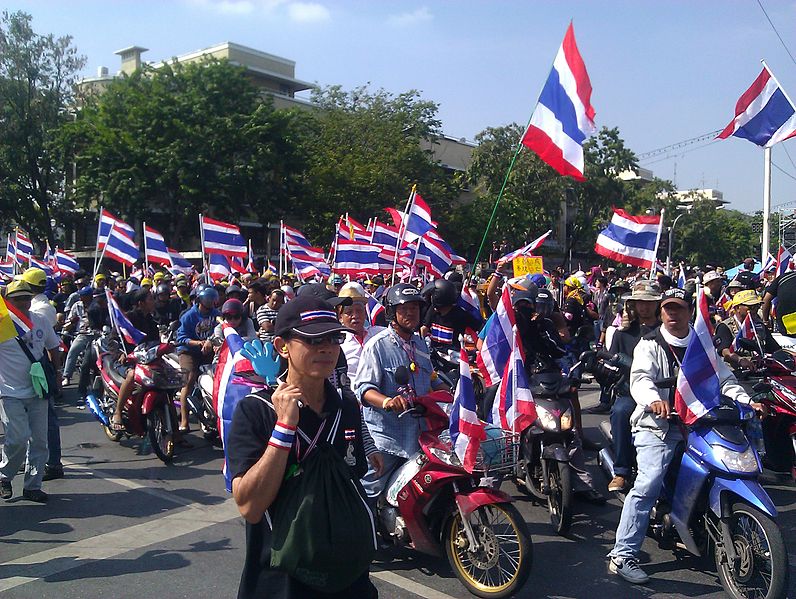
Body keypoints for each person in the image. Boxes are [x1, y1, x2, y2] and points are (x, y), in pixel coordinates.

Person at [227, 296, 380, 598]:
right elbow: (250, 507)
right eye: (312, 339)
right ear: (282, 346)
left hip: (348, 576)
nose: (326, 348)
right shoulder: (256, 411)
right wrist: (284, 427)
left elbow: (353, 478)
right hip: (282, 580)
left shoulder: (346, 406)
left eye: (333, 338)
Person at [607, 288, 760, 584]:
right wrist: (653, 400)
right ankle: (622, 555)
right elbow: (640, 379)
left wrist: (746, 401)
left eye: (678, 308)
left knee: (725, 469)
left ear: (690, 311)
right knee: (648, 484)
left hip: (698, 426)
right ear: (661, 312)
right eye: (668, 308)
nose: (672, 314)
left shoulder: (701, 344)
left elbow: (724, 380)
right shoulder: (649, 344)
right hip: (657, 427)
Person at [354, 283, 449, 505]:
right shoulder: (377, 346)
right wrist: (387, 401)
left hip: (419, 436)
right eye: (404, 308)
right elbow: (364, 389)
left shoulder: (420, 344)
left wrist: (451, 391)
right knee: (369, 494)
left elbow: (430, 377)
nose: (410, 313)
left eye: (414, 308)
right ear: (392, 312)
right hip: (387, 438)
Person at [0, 281, 62, 503]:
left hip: (38, 389)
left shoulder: (40, 319)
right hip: (9, 391)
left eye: (27, 297)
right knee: (18, 438)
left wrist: (57, 373)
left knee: (40, 441)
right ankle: (4, 476)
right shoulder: (2, 322)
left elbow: (53, 346)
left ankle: (32, 486)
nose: (23, 302)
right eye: (17, 298)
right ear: (8, 301)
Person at [604, 281, 662, 492]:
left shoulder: (667, 331)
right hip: (631, 392)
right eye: (640, 302)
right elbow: (610, 361)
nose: (644, 307)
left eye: (649, 302)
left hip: (665, 391)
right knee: (620, 412)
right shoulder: (623, 333)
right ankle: (621, 472)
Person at [111, 289, 162, 430]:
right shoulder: (127, 319)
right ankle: (118, 412)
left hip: (146, 360)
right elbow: (112, 340)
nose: (154, 302)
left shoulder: (152, 321)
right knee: (132, 375)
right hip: (126, 361)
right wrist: (121, 354)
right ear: (141, 303)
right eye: (150, 299)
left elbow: (155, 343)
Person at [175, 286, 220, 434]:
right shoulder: (189, 316)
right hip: (189, 351)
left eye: (212, 300)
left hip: (207, 351)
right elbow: (181, 338)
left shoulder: (216, 315)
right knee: (188, 380)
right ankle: (184, 421)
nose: (211, 304)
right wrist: (199, 343)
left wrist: (211, 343)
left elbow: (221, 330)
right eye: (208, 300)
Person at [714, 289, 779, 370]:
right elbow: (725, 351)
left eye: (757, 306)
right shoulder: (725, 326)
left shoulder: (760, 325)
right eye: (751, 307)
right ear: (737, 308)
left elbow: (775, 348)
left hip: (760, 370)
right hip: (735, 373)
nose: (755, 310)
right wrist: (740, 360)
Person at [419, 278, 482, 353]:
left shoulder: (460, 314)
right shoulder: (432, 310)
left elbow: (479, 327)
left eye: (433, 296)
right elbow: (424, 329)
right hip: (434, 353)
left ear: (439, 297)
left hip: (453, 355)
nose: (431, 298)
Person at [336, 283, 384, 380]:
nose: (355, 316)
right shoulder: (338, 343)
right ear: (341, 317)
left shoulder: (380, 334)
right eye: (349, 312)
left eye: (359, 311)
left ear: (365, 314)